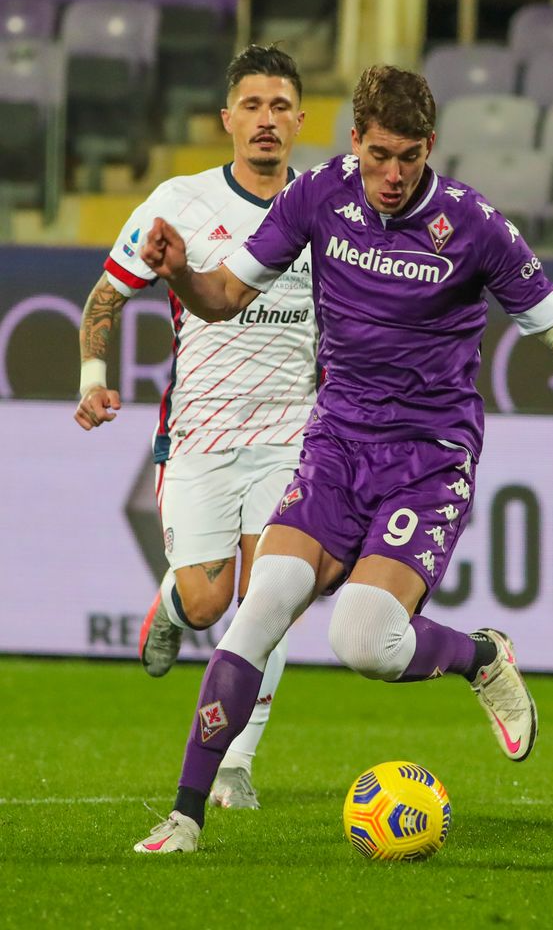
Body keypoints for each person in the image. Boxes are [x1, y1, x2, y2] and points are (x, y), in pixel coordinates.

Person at [132, 64, 553, 854]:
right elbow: (222, 297)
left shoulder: (474, 227)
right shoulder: (316, 197)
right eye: (378, 154)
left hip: (427, 456)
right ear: (355, 142)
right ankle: (185, 816)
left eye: (408, 157)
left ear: (430, 147)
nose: (391, 174)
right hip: (336, 444)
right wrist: (176, 270)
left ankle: (481, 656)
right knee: (263, 601)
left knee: (364, 642)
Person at [75, 44, 317, 810]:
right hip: (201, 436)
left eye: (280, 107)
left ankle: (239, 759)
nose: (267, 121)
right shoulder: (176, 202)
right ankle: (173, 607)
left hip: (294, 433)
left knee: (271, 594)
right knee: (211, 603)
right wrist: (92, 381)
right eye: (252, 106)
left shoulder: (321, 209)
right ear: (227, 120)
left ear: (301, 120)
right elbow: (105, 297)